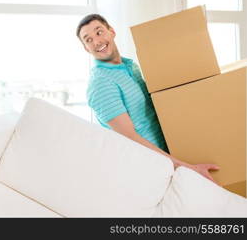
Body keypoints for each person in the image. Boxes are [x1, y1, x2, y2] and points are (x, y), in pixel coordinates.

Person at [76, 14, 219, 183]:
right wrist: (187, 169)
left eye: (99, 32)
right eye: (89, 40)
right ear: (86, 48)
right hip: (153, 170)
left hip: (173, 155)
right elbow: (130, 139)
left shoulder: (130, 66)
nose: (96, 41)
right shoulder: (100, 84)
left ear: (112, 31)